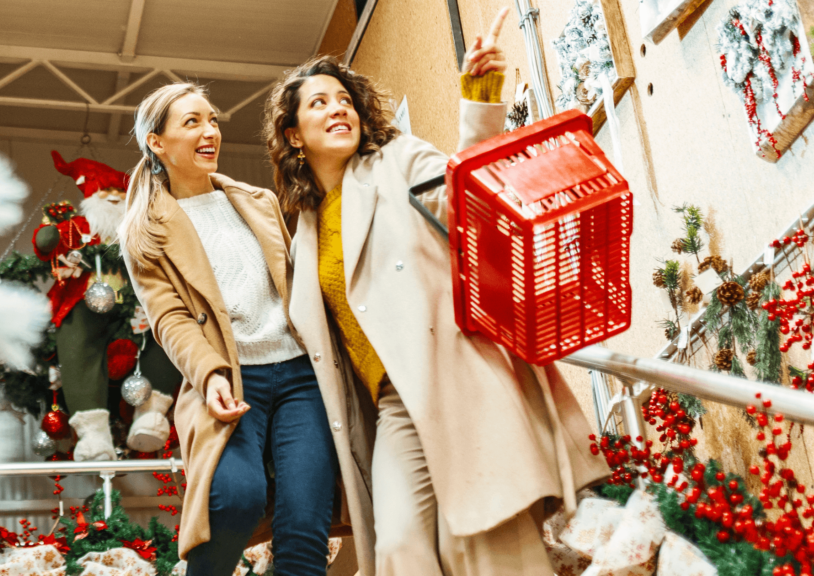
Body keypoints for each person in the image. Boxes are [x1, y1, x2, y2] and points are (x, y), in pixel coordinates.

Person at [263, 9, 609, 575]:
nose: (338, 108)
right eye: (319, 103)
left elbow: (463, 196)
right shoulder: (303, 232)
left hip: (455, 380)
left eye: (344, 99)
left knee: (486, 547)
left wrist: (479, 100)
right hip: (392, 406)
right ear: (293, 135)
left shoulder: (397, 162)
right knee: (397, 549)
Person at [118, 83, 367, 576]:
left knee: (306, 522)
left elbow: (297, 284)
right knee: (236, 497)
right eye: (191, 122)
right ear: (157, 143)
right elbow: (171, 319)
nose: (210, 131)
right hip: (229, 379)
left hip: (300, 376)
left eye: (212, 120)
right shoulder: (144, 230)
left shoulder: (256, 201)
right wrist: (209, 375)